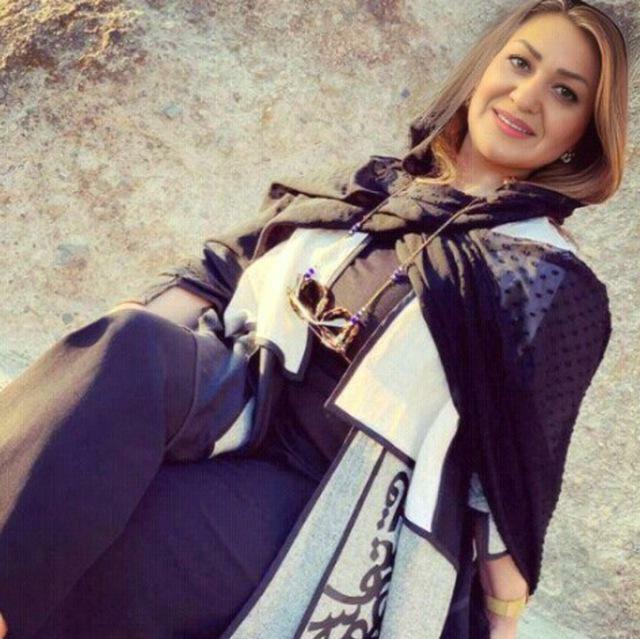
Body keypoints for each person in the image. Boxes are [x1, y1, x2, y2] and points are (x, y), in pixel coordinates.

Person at [0, 0, 629, 637]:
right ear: (483, 69)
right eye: (519, 63)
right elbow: (219, 271)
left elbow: (515, 475)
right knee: (125, 345)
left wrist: (502, 619)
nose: (527, 96)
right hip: (238, 402)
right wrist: (87, 374)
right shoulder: (372, 186)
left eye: (565, 92)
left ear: (582, 136)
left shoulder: (546, 275)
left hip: (326, 490)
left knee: (135, 532)